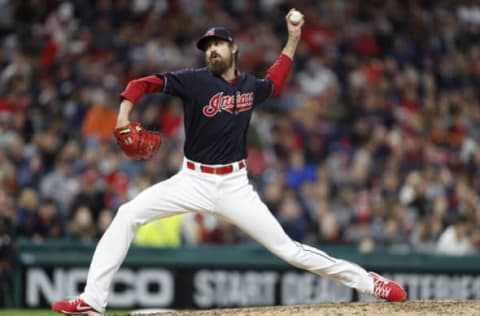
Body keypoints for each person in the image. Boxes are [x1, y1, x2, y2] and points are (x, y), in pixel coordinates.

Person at [52, 9, 406, 316]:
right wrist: (123, 114)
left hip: (235, 186)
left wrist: (293, 37)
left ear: (233, 48)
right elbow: (142, 83)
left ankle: (368, 281)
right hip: (191, 181)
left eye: (218, 44)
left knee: (290, 251)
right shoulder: (193, 81)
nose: (212, 50)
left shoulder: (249, 87)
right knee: (127, 214)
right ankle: (92, 301)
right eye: (207, 47)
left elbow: (276, 82)